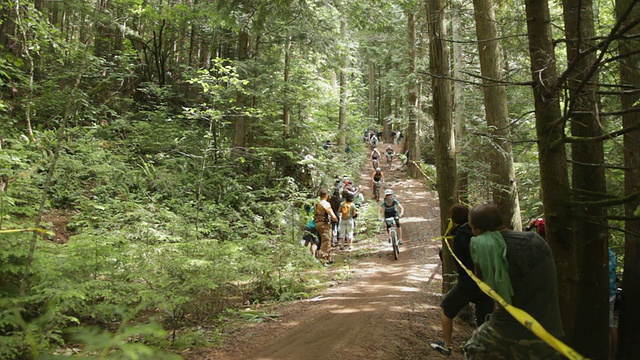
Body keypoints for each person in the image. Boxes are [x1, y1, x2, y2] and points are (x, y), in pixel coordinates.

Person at [462, 204, 564, 359]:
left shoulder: (488, 251)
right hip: (550, 330)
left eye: (472, 229)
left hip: (510, 330)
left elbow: (489, 288)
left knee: (473, 348)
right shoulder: (535, 240)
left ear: (478, 230)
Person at [430, 204, 494, 356]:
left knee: (446, 309)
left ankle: (447, 345)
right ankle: (485, 351)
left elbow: (459, 258)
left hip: (468, 283)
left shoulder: (460, 235)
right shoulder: (483, 232)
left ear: (453, 219)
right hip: (487, 284)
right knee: (484, 320)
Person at [313, 189, 338, 264]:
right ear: (326, 195)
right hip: (324, 224)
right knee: (326, 241)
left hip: (317, 223)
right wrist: (335, 219)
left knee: (322, 241)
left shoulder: (317, 203)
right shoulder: (325, 203)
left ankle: (328, 258)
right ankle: (322, 260)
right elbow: (332, 215)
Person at [609, 247, 618, 360]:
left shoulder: (606, 254)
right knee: (610, 325)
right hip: (611, 293)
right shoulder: (610, 253)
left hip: (607, 294)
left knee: (608, 326)